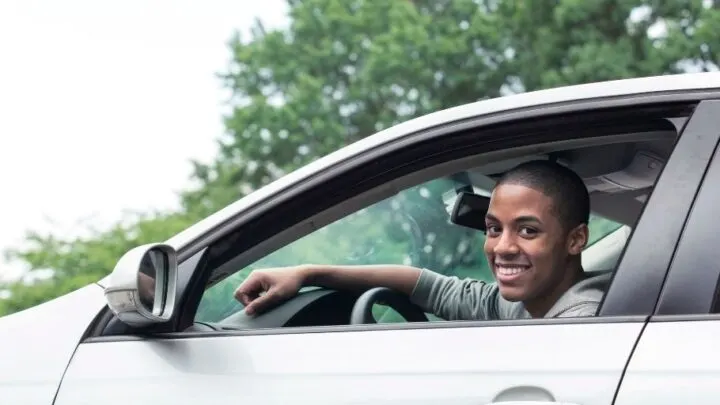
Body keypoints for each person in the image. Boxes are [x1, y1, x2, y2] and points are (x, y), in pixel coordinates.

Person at [234, 160, 611, 320]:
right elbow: (429, 286)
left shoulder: (582, 320)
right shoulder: (528, 302)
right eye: (494, 228)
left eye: (527, 230)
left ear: (575, 240)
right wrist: (307, 273)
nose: (502, 247)